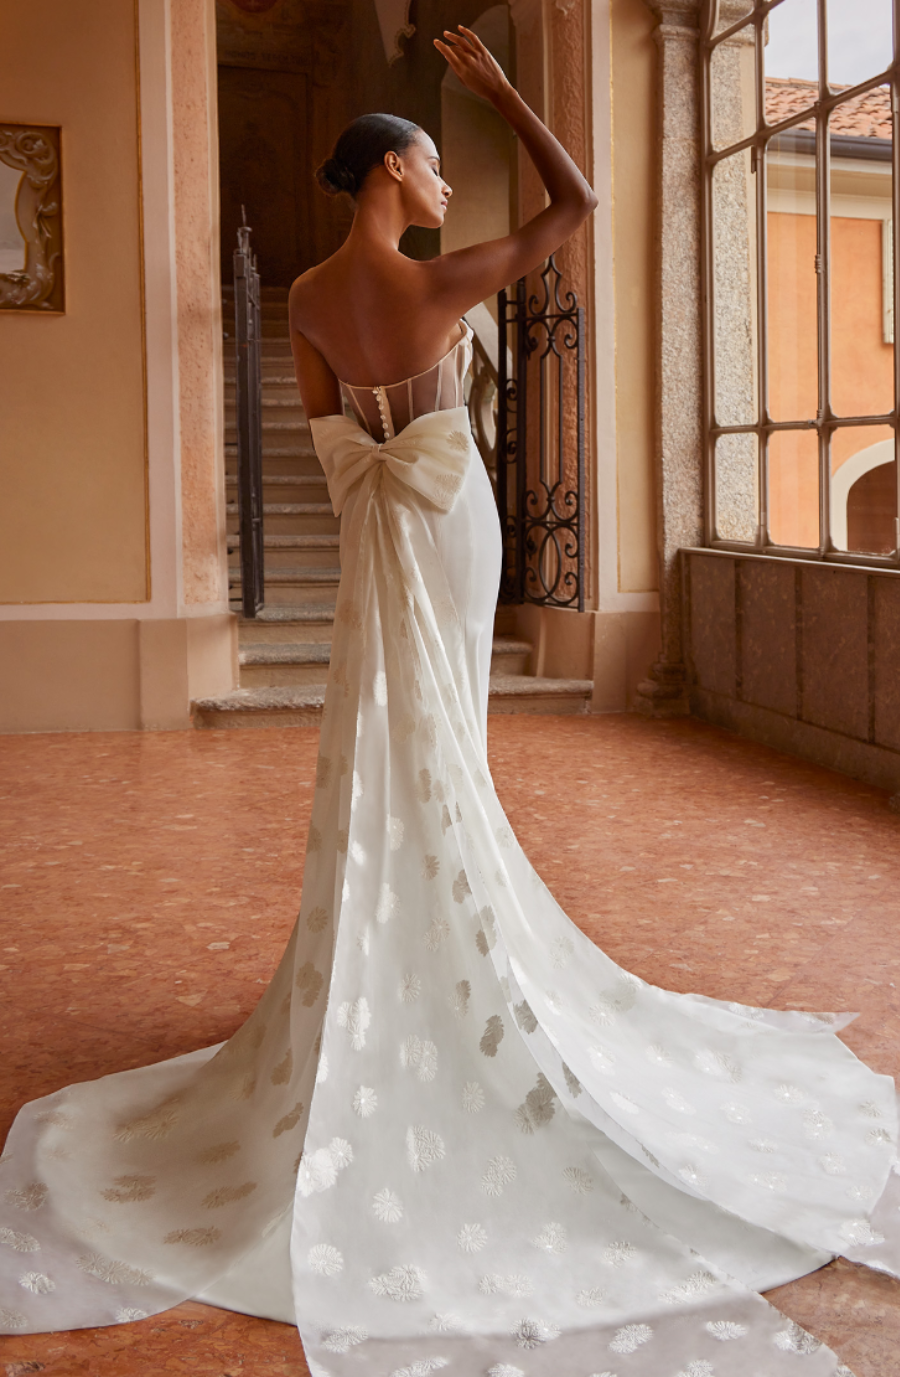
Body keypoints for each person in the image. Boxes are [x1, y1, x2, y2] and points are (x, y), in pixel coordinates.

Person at [0, 26, 897, 1376]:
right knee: (442, 743)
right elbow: (580, 205)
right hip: (449, 518)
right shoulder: (442, 281)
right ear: (386, 174)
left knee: (387, 736)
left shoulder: (304, 297)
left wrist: (382, 478)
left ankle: (394, 937)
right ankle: (446, 950)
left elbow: (326, 447)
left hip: (381, 528)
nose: (440, 187)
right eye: (426, 168)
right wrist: (502, 93)